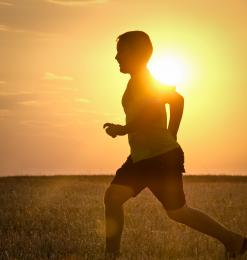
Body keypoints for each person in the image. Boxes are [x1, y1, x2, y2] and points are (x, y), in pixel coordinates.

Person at [103, 30, 246, 259]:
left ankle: (233, 241)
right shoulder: (136, 82)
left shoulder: (146, 82)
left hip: (160, 157)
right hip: (143, 156)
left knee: (178, 212)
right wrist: (171, 133)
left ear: (136, 54)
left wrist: (128, 130)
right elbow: (176, 100)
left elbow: (161, 108)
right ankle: (112, 255)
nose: (116, 57)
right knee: (113, 198)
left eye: (121, 52)